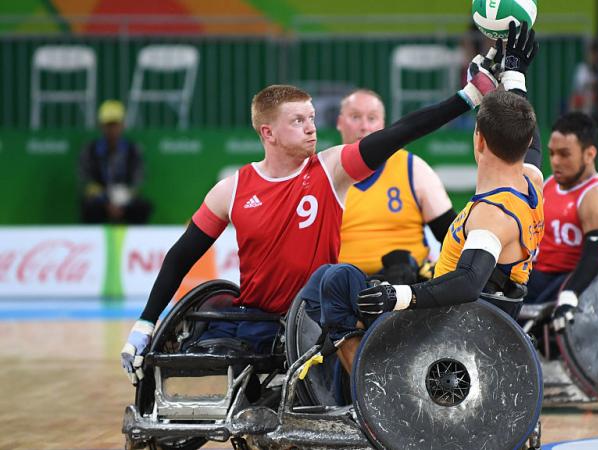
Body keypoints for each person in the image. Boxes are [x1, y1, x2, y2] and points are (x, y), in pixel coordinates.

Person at [120, 49, 503, 385]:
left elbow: (401, 132)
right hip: (258, 319)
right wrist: (145, 323)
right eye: (299, 121)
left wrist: (468, 96)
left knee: (335, 275)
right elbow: (180, 256)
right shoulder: (232, 189)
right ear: (267, 132)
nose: (311, 128)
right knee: (201, 322)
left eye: (312, 118)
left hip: (315, 318)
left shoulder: (331, 168)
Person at [299, 22, 544, 374]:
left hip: (445, 330)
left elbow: (468, 280)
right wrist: (514, 75)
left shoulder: (492, 214)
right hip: (472, 321)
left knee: (335, 281)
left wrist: (400, 295)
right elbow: (526, 136)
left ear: (478, 141)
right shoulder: (530, 181)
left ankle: (362, 388)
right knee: (336, 280)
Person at [335, 89, 455, 281]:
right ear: (340, 123)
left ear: (383, 125)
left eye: (372, 118)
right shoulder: (325, 173)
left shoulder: (413, 168)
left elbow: (452, 237)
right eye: (355, 117)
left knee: (400, 269)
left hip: (405, 287)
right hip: (342, 286)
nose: (364, 126)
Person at [523, 111, 598, 332]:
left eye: (565, 154)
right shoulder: (548, 184)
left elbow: (594, 258)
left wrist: (569, 296)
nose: (555, 161)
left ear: (589, 154)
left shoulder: (596, 196)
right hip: (539, 278)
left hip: (575, 281)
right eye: (552, 153)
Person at [79, 100, 152, 224]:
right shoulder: (90, 150)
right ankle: (92, 241)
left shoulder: (132, 150)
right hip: (100, 200)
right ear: (101, 126)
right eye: (108, 124)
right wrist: (106, 201)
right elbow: (86, 179)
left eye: (115, 124)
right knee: (88, 207)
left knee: (143, 207)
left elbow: (138, 179)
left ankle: (137, 241)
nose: (112, 129)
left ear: (122, 125)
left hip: (125, 198)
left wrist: (122, 198)